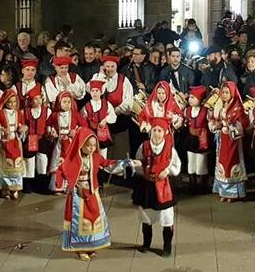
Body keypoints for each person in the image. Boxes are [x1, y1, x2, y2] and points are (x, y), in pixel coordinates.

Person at [55, 127, 135, 261]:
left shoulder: (96, 157)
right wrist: (68, 183)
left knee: (94, 218)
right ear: (81, 144)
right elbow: (62, 171)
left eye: (94, 145)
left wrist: (124, 163)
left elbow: (107, 164)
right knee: (79, 221)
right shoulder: (73, 158)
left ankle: (91, 245)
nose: (92, 148)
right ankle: (80, 248)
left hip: (92, 192)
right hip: (77, 194)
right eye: (88, 145)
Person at [132, 117, 181, 257]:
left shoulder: (170, 149)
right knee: (146, 216)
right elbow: (139, 162)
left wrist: (167, 171)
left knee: (166, 217)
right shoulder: (144, 146)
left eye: (160, 130)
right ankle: (146, 244)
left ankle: (167, 247)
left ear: (165, 132)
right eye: (154, 130)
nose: (157, 133)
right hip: (147, 186)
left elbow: (176, 166)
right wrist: (141, 169)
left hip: (163, 187)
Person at [209, 81, 248, 202]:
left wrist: (227, 125)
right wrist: (215, 125)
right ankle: (223, 192)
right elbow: (213, 119)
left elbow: (243, 124)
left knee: (232, 163)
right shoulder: (219, 105)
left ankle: (233, 194)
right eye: (223, 92)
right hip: (222, 139)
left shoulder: (237, 107)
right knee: (222, 162)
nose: (224, 94)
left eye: (227, 92)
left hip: (233, 141)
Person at [0, 90, 28, 200]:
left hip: (16, 141)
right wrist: (2, 130)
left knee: (16, 166)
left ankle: (15, 188)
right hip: (5, 142)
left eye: (14, 102)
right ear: (5, 102)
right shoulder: (0, 113)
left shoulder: (18, 113)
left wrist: (23, 129)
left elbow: (23, 124)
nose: (12, 104)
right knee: (5, 167)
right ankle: (5, 189)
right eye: (10, 102)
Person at [183, 85, 211, 195]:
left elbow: (210, 123)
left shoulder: (206, 111)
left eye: (193, 98)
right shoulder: (187, 110)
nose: (190, 99)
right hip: (191, 139)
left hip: (202, 139)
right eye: (190, 97)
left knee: (201, 163)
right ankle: (192, 184)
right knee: (191, 162)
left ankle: (203, 185)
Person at [81, 80, 116, 158]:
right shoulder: (86, 106)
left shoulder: (106, 104)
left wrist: (105, 120)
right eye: (92, 91)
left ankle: (102, 167)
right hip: (91, 131)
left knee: (102, 153)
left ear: (101, 92)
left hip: (102, 131)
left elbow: (113, 116)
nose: (95, 93)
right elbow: (82, 119)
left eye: (97, 91)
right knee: (90, 153)